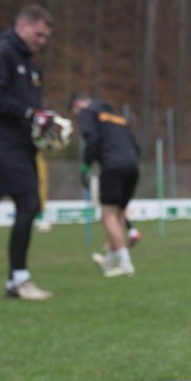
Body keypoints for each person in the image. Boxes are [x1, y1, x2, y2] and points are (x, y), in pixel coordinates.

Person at [0, 4, 55, 300]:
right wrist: (31, 113)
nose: (42, 42)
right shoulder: (2, 53)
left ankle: (16, 281)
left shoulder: (31, 66)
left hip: (21, 146)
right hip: (2, 144)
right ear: (23, 27)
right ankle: (17, 280)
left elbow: (32, 109)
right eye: (39, 35)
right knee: (29, 202)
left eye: (46, 37)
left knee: (27, 203)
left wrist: (44, 123)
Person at [70, 94, 141, 277]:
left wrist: (86, 165)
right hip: (132, 166)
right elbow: (136, 146)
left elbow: (92, 139)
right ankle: (110, 259)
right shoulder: (116, 116)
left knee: (107, 214)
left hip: (112, 165)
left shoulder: (87, 112)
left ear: (78, 105)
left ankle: (125, 264)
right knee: (119, 214)